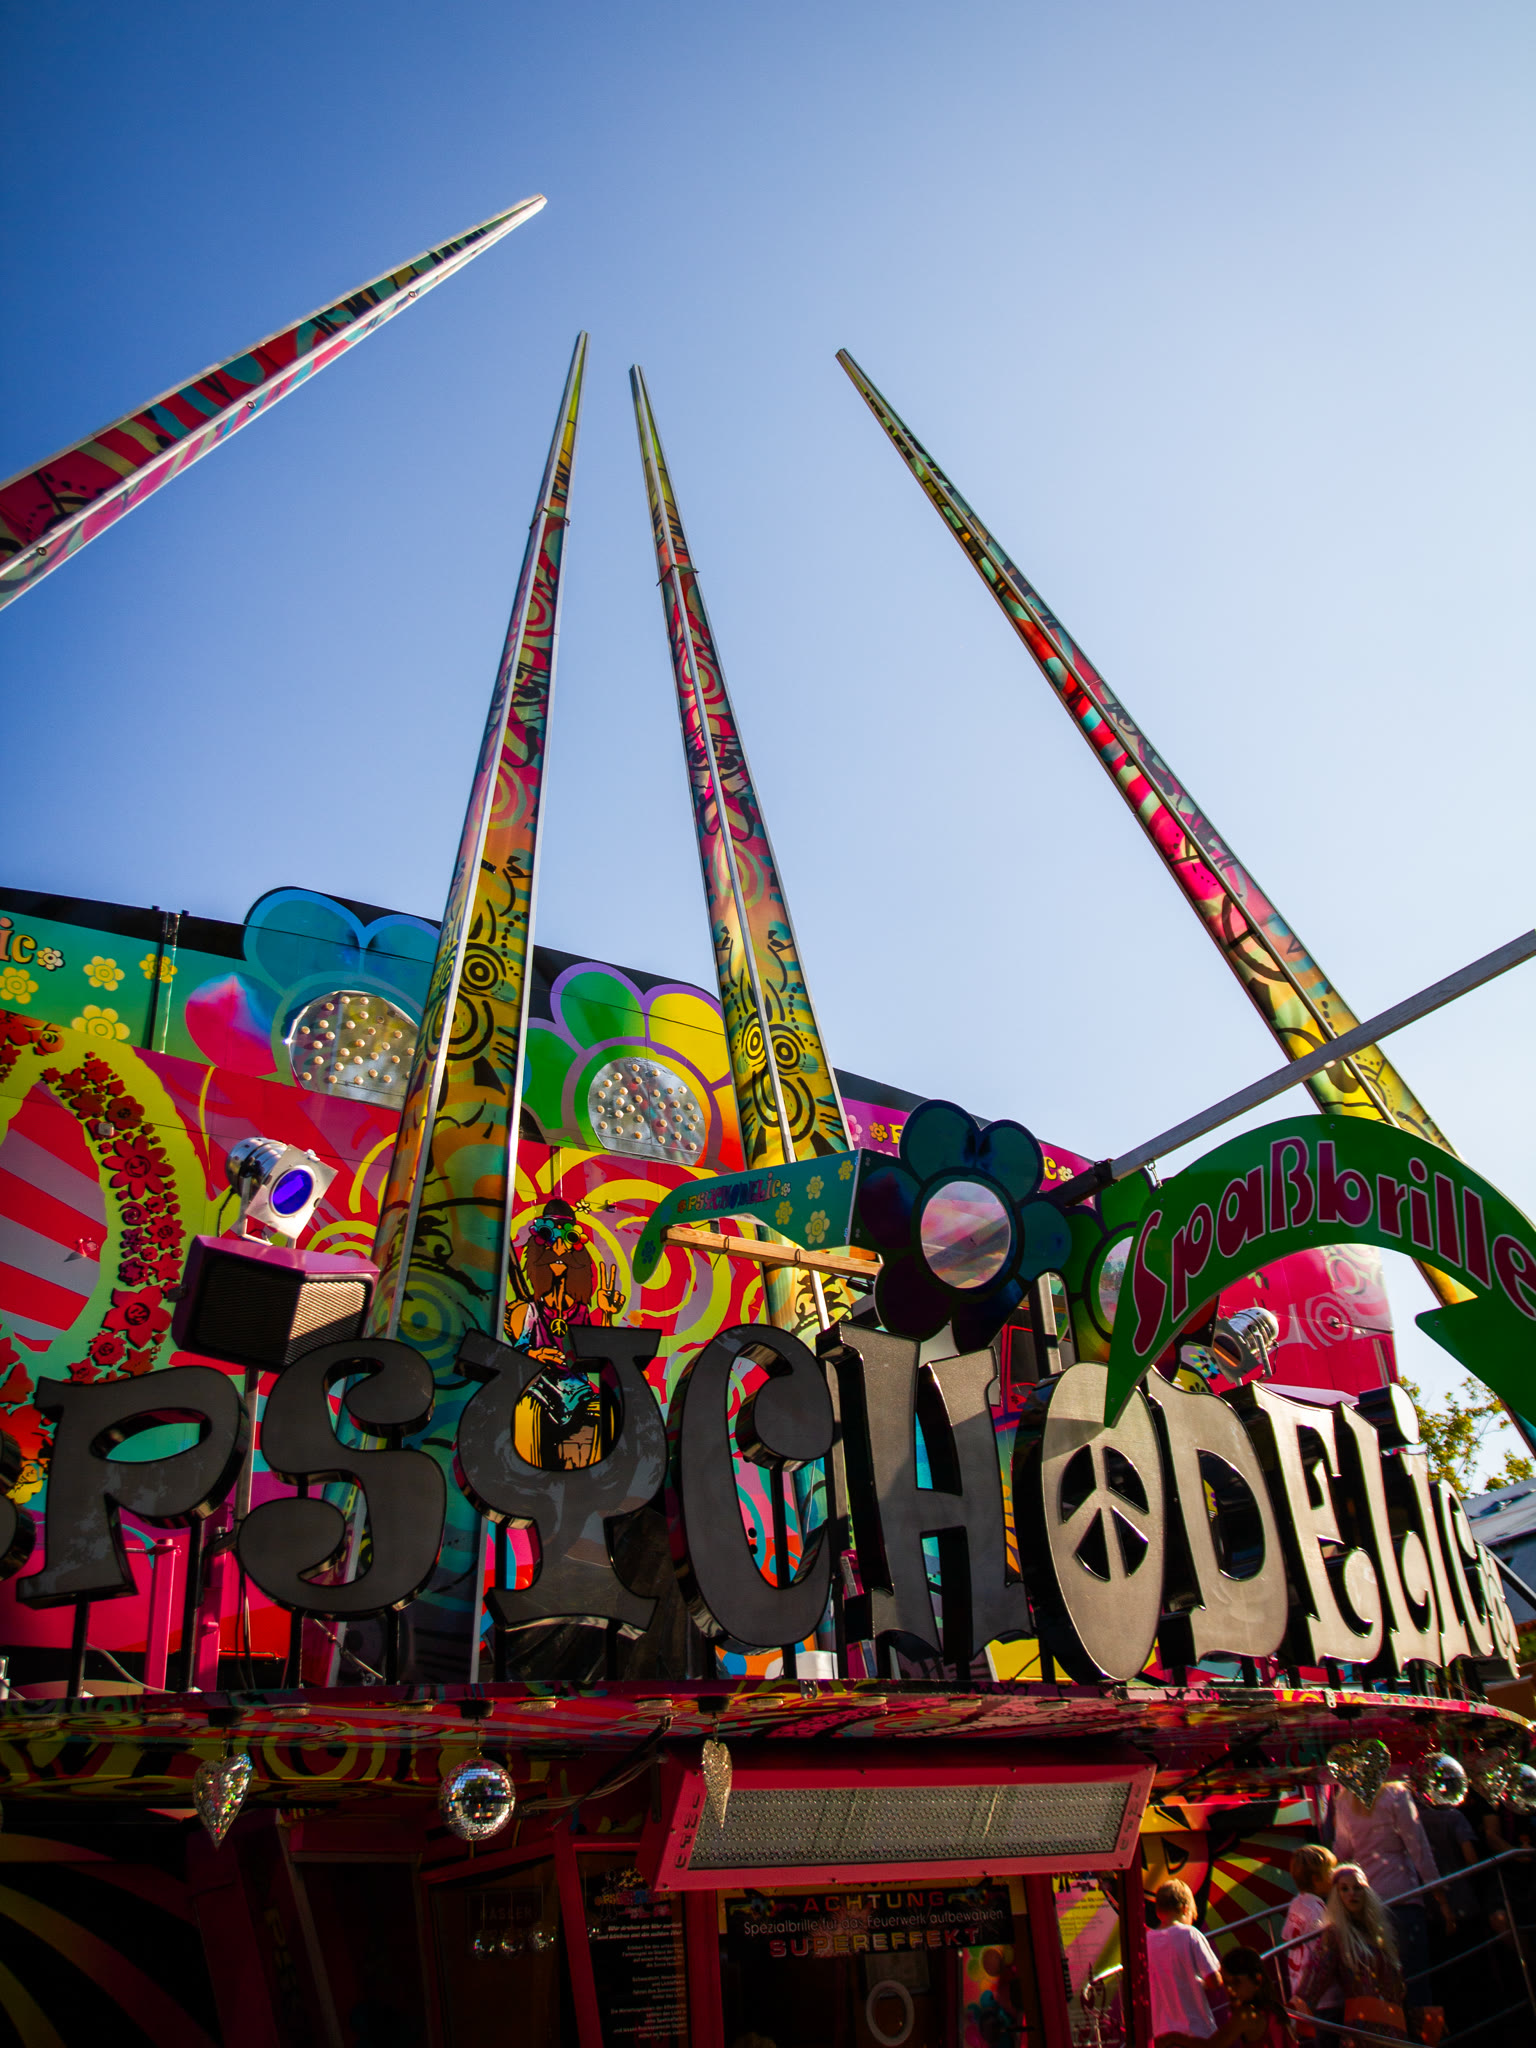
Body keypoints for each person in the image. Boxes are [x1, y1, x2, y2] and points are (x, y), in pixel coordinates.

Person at [1330, 1779, 1444, 1998]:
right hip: (1403, 1896)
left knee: (1385, 1983)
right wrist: (1439, 1893)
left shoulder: (1345, 1800)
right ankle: (1421, 2018)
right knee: (1416, 1979)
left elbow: (1342, 1851)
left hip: (1368, 1904)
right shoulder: (1396, 1794)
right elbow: (1418, 1847)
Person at [1293, 1864, 1407, 2041]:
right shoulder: (1335, 1935)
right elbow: (1316, 1973)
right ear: (1337, 1895)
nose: (1351, 1893)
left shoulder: (1380, 1933)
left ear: (1366, 1892)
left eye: (1357, 1888)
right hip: (1363, 2029)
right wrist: (1296, 2009)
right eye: (1344, 1889)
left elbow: (1398, 1986)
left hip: (1394, 2024)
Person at [1157, 1948, 1293, 2048]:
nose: (1229, 1989)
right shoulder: (1275, 2008)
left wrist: (1174, 2037)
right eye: (1226, 1983)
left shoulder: (1247, 2015)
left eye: (1236, 1982)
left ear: (1257, 1980)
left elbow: (1211, 2046)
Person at [1147, 1879, 1224, 2044]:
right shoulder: (1190, 1935)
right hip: (1196, 2032)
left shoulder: (1147, 1941)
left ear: (1158, 1911)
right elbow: (1214, 1980)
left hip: (1163, 2036)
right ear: (1185, 1908)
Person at [1279, 1846, 1338, 2021]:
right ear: (1316, 1880)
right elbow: (1329, 1943)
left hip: (1300, 1985)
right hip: (1325, 1994)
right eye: (1330, 1872)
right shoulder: (1317, 1910)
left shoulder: (1296, 1904)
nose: (1334, 1876)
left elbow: (1285, 1936)